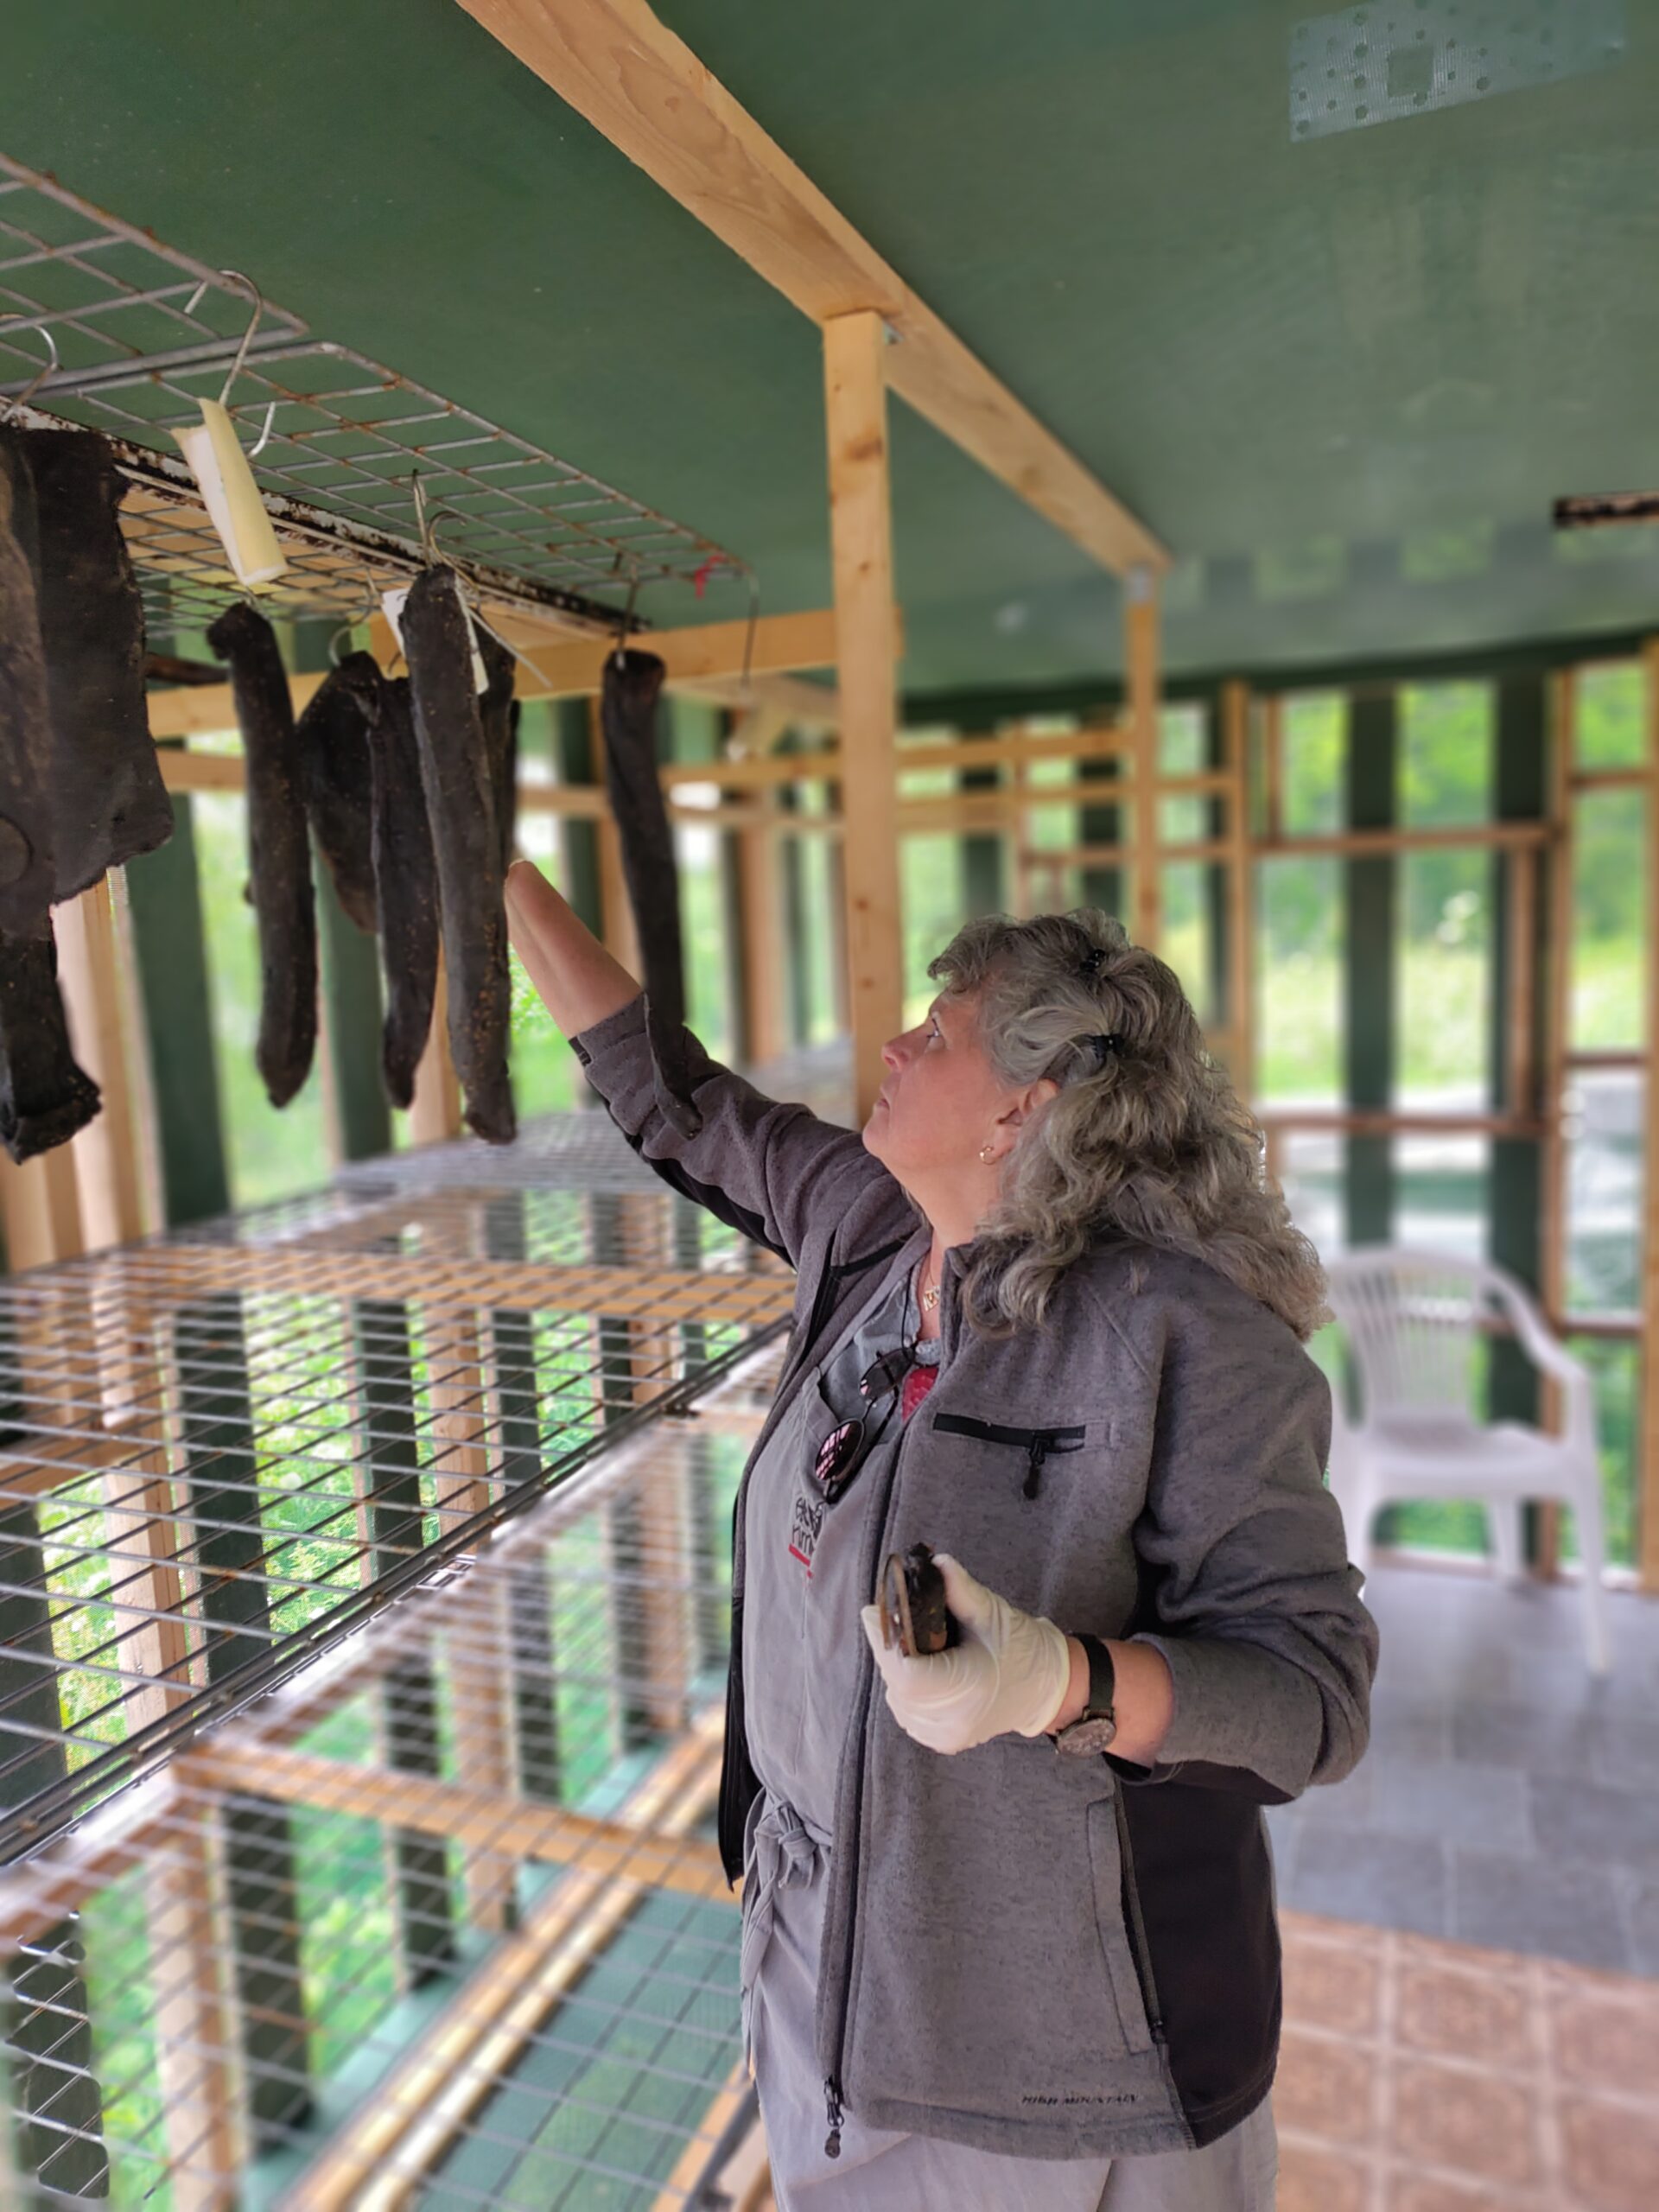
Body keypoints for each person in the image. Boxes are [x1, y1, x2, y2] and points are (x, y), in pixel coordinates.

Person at [505, 864, 1378, 2212]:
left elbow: (1309, 1701)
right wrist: (491, 869)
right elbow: (669, 1093)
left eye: (941, 1031)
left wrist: (1056, 1683)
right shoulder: (870, 1232)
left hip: (1066, 2062)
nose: (899, 1045)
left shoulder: (1182, 1337)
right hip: (829, 1972)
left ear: (1025, 1107)